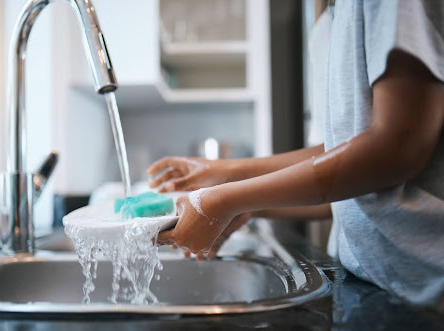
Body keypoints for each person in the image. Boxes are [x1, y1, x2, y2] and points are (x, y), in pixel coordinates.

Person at [149, 0, 444, 308]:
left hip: (428, 289)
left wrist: (226, 198)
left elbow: (397, 147)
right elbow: (346, 170)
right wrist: (237, 195)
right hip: (379, 284)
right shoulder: (332, 19)